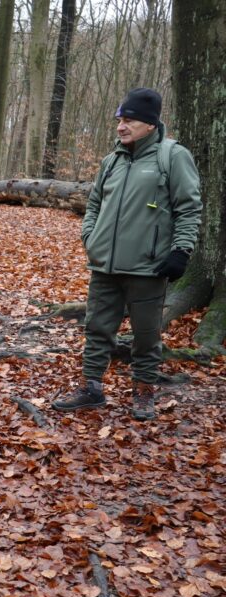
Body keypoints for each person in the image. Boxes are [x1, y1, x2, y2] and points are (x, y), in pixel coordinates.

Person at [53, 88, 202, 420]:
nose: (121, 126)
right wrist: (91, 237)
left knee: (146, 334)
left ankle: (144, 392)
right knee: (96, 328)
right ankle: (91, 389)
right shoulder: (112, 159)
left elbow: (189, 209)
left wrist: (181, 251)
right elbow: (93, 205)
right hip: (104, 264)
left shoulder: (172, 156)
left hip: (148, 267)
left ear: (149, 123)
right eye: (120, 119)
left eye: (129, 120)